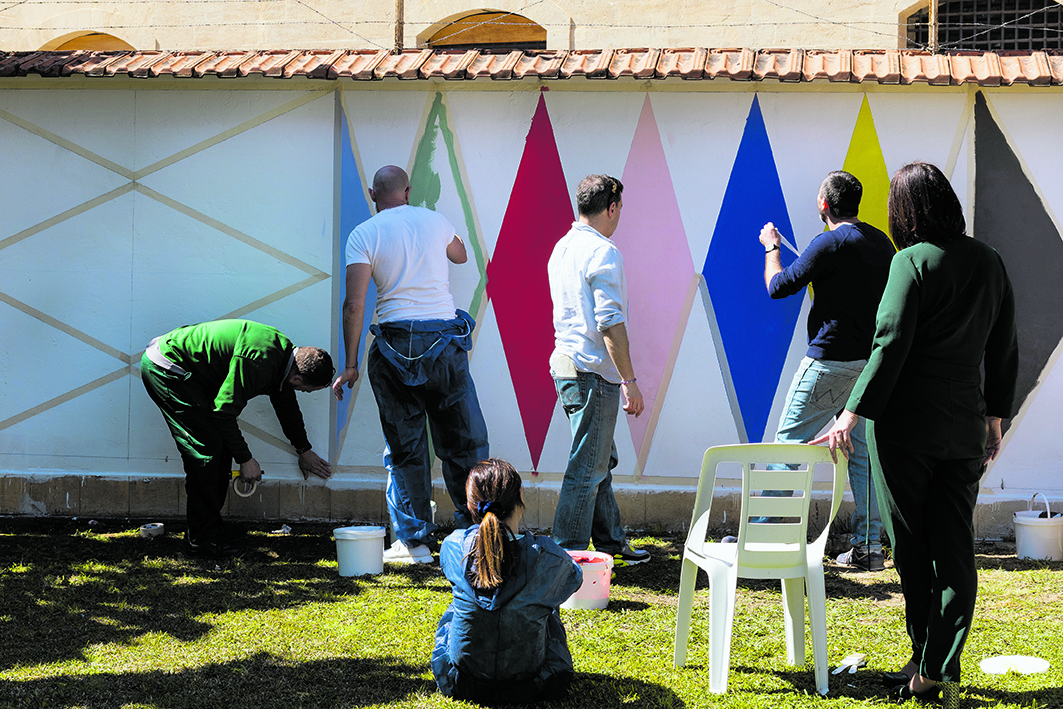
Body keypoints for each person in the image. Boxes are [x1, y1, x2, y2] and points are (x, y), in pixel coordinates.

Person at [813, 162, 1018, 703]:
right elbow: (1004, 347)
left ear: (903, 212)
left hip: (905, 427)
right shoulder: (990, 262)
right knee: (954, 551)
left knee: (912, 549)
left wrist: (850, 414)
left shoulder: (910, 262)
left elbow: (890, 343)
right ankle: (931, 661)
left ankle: (926, 667)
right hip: (965, 427)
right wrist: (995, 416)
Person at [332, 165, 489, 565]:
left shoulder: (364, 234)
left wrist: (350, 364)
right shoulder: (434, 219)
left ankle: (414, 543)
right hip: (443, 344)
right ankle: (474, 534)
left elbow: (355, 303)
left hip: (393, 344)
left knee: (406, 447)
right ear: (408, 190)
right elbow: (460, 254)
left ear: (372, 194)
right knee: (462, 443)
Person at [758, 170, 895, 571]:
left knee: (789, 445)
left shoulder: (828, 243)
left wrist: (772, 247)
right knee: (864, 457)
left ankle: (768, 536)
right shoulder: (881, 243)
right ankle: (869, 548)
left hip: (828, 364)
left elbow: (778, 286)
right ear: (856, 202)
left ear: (823, 205)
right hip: (869, 367)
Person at [141, 319, 334, 557]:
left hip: (190, 374)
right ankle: (200, 543)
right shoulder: (259, 362)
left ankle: (210, 528)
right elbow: (223, 414)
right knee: (205, 454)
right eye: (306, 390)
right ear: (297, 379)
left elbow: (287, 408)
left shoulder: (284, 357)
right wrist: (245, 459)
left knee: (219, 447)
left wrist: (303, 449)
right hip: (167, 369)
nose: (303, 393)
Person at [547, 174, 649, 567]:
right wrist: (630, 381)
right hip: (592, 371)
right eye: (620, 206)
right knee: (587, 467)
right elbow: (609, 321)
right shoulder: (604, 252)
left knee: (598, 459)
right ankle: (565, 559)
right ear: (611, 207)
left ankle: (609, 540)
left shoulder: (562, 248)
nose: (620, 213)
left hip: (567, 366)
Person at [432, 458, 582, 704]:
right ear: (520, 495)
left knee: (455, 606)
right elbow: (573, 578)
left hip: (461, 682)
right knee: (548, 606)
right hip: (534, 685)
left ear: (470, 505)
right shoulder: (549, 556)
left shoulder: (453, 546)